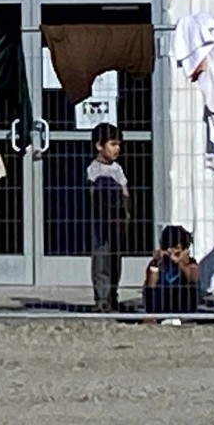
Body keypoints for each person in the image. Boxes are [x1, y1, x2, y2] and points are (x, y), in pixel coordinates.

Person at [87, 122, 130, 312]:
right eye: (113, 144)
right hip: (100, 220)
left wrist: (126, 212)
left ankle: (113, 295)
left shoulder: (117, 169)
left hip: (117, 220)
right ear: (99, 146)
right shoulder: (94, 169)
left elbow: (125, 191)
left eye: (118, 144)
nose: (117, 149)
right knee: (101, 258)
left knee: (115, 258)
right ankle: (102, 297)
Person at [143, 225, 200, 315]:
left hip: (182, 305)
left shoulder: (190, 263)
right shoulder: (159, 263)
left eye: (176, 248)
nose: (171, 251)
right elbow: (150, 285)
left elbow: (193, 279)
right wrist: (156, 263)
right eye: (168, 247)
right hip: (163, 304)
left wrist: (179, 262)